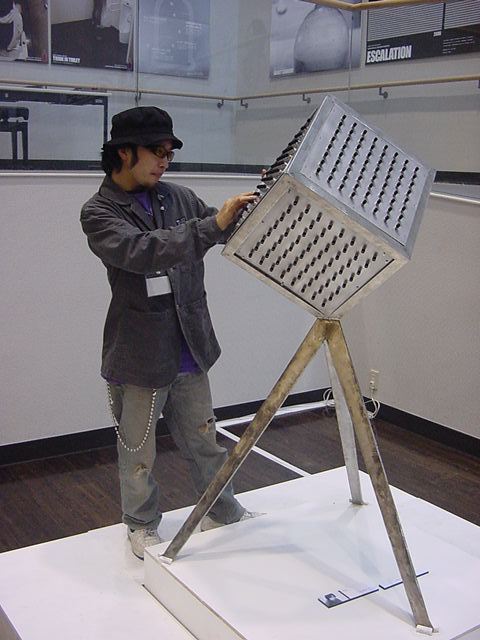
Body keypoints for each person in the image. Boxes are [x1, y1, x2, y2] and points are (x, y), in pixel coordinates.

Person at [81, 106, 258, 559]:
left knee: (204, 439)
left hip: (189, 345)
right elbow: (143, 251)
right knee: (138, 452)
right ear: (125, 153)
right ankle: (140, 525)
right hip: (139, 354)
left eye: (169, 153)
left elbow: (220, 231)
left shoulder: (177, 197)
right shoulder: (99, 212)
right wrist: (214, 224)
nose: (164, 161)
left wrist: (258, 206)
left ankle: (222, 509)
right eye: (156, 152)